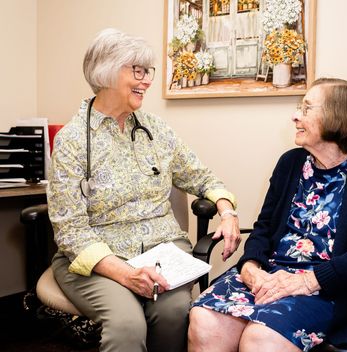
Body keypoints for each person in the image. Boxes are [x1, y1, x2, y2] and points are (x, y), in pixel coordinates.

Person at [47, 28, 240, 352]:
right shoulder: (72, 141)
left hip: (162, 250)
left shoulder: (156, 130)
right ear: (105, 72)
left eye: (147, 71)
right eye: (136, 71)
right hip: (98, 259)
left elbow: (201, 177)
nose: (147, 80)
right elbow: (71, 232)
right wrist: (126, 275)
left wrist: (227, 210)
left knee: (175, 312)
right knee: (127, 324)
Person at [188, 78, 347, 352]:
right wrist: (250, 268)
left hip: (326, 287)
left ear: (337, 117)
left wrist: (309, 280)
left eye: (306, 109)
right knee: (204, 320)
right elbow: (264, 228)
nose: (295, 116)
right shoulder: (290, 163)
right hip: (269, 276)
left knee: (261, 338)